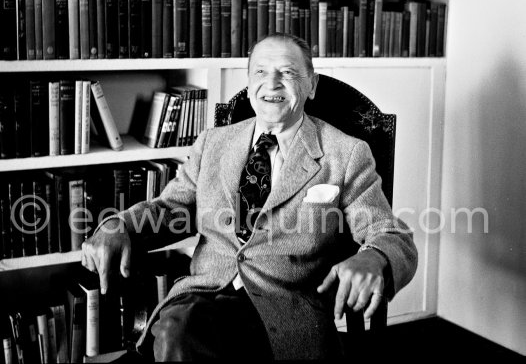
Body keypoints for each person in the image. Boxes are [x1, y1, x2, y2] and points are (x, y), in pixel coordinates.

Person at [82, 32, 417, 361]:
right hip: (204, 299)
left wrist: (375, 258)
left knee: (180, 336)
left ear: (311, 84)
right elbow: (172, 208)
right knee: (178, 331)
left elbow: (390, 233)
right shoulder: (213, 143)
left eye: (287, 72)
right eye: (260, 72)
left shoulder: (346, 154)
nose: (271, 85)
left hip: (285, 312)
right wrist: (119, 225)